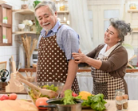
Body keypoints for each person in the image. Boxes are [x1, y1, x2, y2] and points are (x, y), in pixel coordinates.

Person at [72, 19, 131, 99]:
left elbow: (108, 66)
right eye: (107, 31)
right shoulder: (100, 47)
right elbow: (84, 61)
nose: (107, 34)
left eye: (111, 33)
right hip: (97, 90)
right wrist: (74, 55)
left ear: (119, 38)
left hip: (115, 92)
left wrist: (85, 59)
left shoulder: (121, 52)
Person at [35, 1, 80, 96]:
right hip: (45, 90)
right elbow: (40, 61)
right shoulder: (42, 34)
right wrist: (36, 84)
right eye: (40, 18)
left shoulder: (66, 32)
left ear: (55, 13)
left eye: (46, 16)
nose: (43, 21)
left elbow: (74, 61)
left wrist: (66, 88)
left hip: (63, 90)